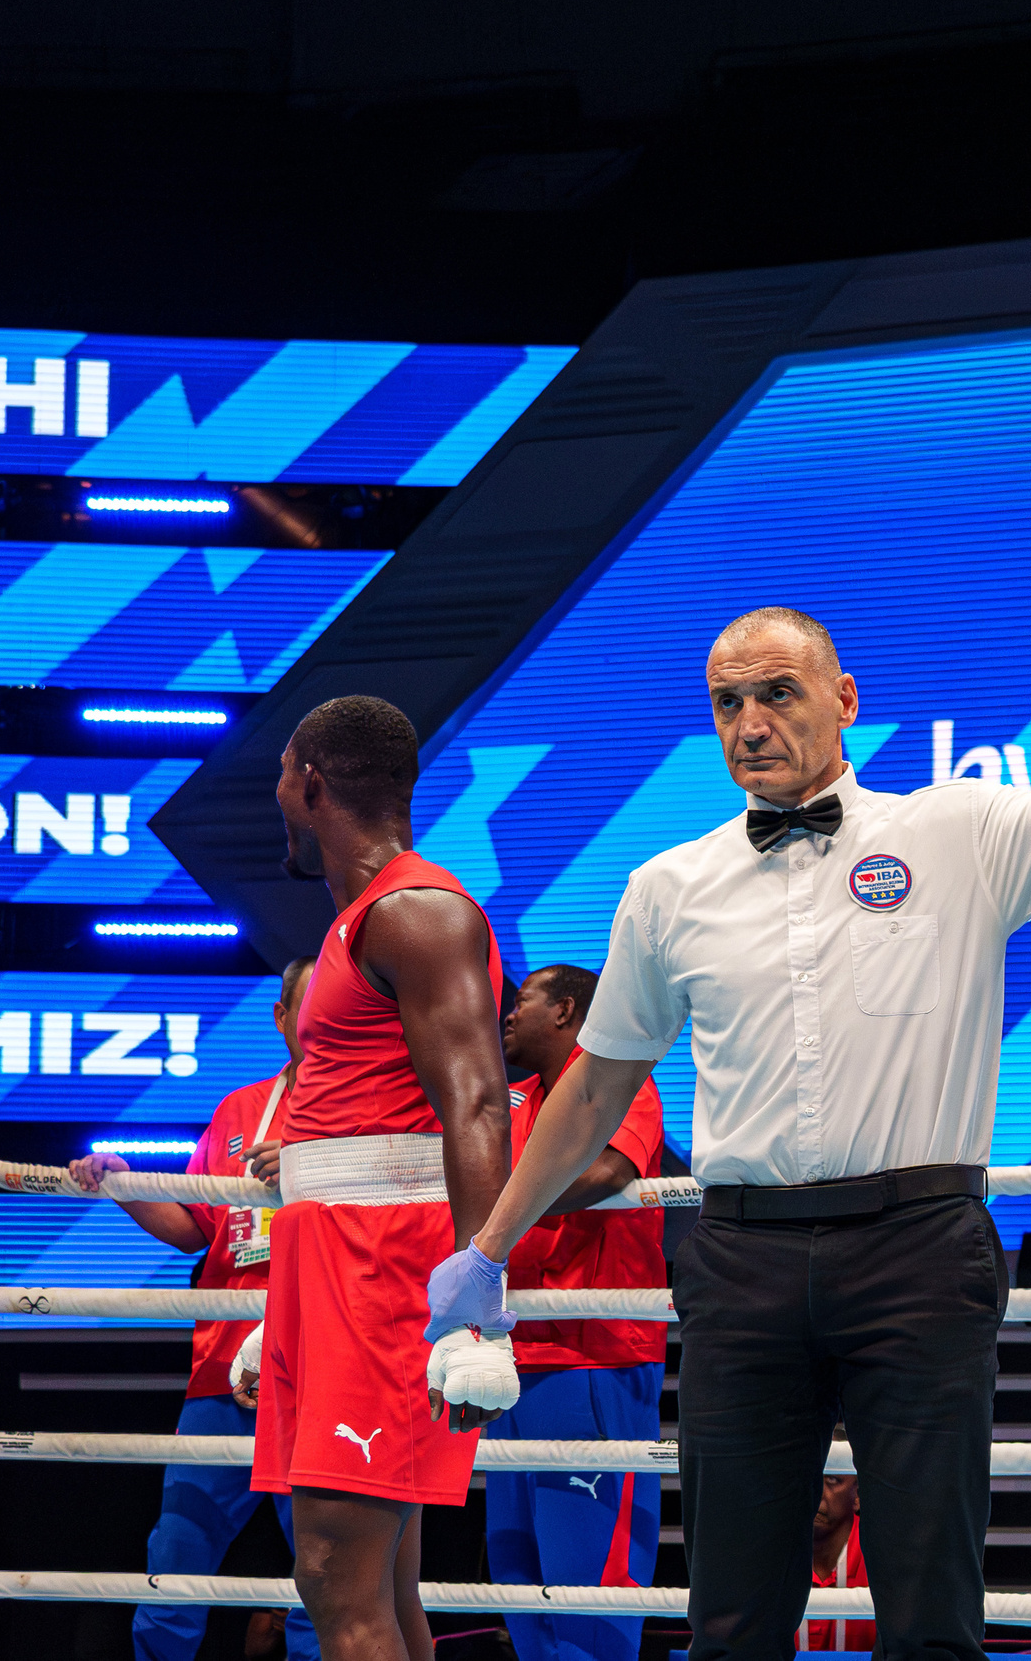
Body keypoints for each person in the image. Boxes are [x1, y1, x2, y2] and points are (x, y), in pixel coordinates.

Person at [424, 594, 1031, 1661]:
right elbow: (597, 1087)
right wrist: (489, 1245)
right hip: (741, 1259)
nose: (750, 723)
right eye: (727, 703)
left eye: (777, 694)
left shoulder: (953, 828)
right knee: (732, 1616)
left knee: (931, 1608)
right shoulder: (669, 887)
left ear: (844, 702)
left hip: (918, 1248)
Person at [248, 694, 521, 1661]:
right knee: (384, 1582)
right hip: (333, 1271)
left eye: (280, 774)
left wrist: (481, 1310)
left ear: (309, 782)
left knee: (334, 1571)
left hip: (379, 1274)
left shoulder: (418, 911)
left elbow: (479, 1107)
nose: (274, 795)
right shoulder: (363, 921)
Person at [73, 956, 322, 1661]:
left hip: (322, 1369)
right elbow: (199, 1226)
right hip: (222, 1367)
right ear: (281, 1018)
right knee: (178, 1551)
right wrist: (125, 1184)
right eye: (304, 1008)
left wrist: (316, 1169)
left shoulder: (375, 1112)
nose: (318, 1022)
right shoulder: (240, 1109)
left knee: (328, 1567)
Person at [484, 962, 671, 1661]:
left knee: (588, 1594)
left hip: (594, 1356)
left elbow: (611, 1172)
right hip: (508, 1361)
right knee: (519, 1585)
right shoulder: (507, 1102)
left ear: (566, 1009)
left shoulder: (620, 1080)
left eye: (523, 999)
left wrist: (501, 1206)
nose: (508, 1011)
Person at [805, 1430, 869, 1655]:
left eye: (832, 1479)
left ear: (859, 1495)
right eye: (812, 1476)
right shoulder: (772, 1549)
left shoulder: (879, 1553)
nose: (817, 1491)